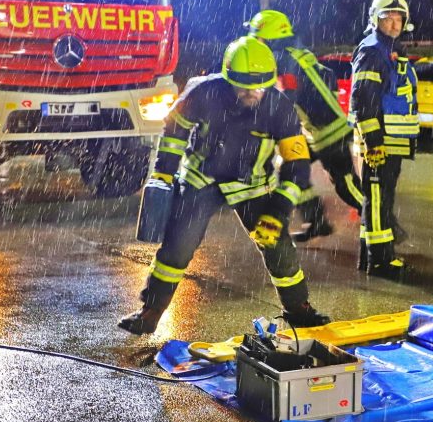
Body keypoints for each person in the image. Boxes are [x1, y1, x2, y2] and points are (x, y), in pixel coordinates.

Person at [118, 36, 331, 335]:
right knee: (177, 248)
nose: (253, 92)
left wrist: (279, 211)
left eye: (260, 86)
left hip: (252, 185)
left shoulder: (279, 106)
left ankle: (298, 309)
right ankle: (150, 313)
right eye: (244, 86)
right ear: (229, 78)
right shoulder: (203, 91)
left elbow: (296, 163)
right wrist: (164, 173)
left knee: (279, 247)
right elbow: (174, 129)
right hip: (201, 178)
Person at [245, 10, 363, 242]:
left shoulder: (283, 59)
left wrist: (268, 121)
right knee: (291, 170)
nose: (256, 42)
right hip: (316, 130)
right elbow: (327, 76)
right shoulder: (298, 53)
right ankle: (316, 220)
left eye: (258, 37)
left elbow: (288, 96)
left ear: (268, 37)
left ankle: (379, 219)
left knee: (346, 185)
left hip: (329, 131)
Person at [349, 0, 419, 281]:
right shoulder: (373, 50)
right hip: (381, 142)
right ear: (375, 20)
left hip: (392, 141)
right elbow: (363, 99)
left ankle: (373, 254)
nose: (393, 23)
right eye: (387, 17)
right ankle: (380, 261)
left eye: (398, 17)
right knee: (377, 200)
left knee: (380, 199)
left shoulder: (389, 49)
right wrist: (373, 142)